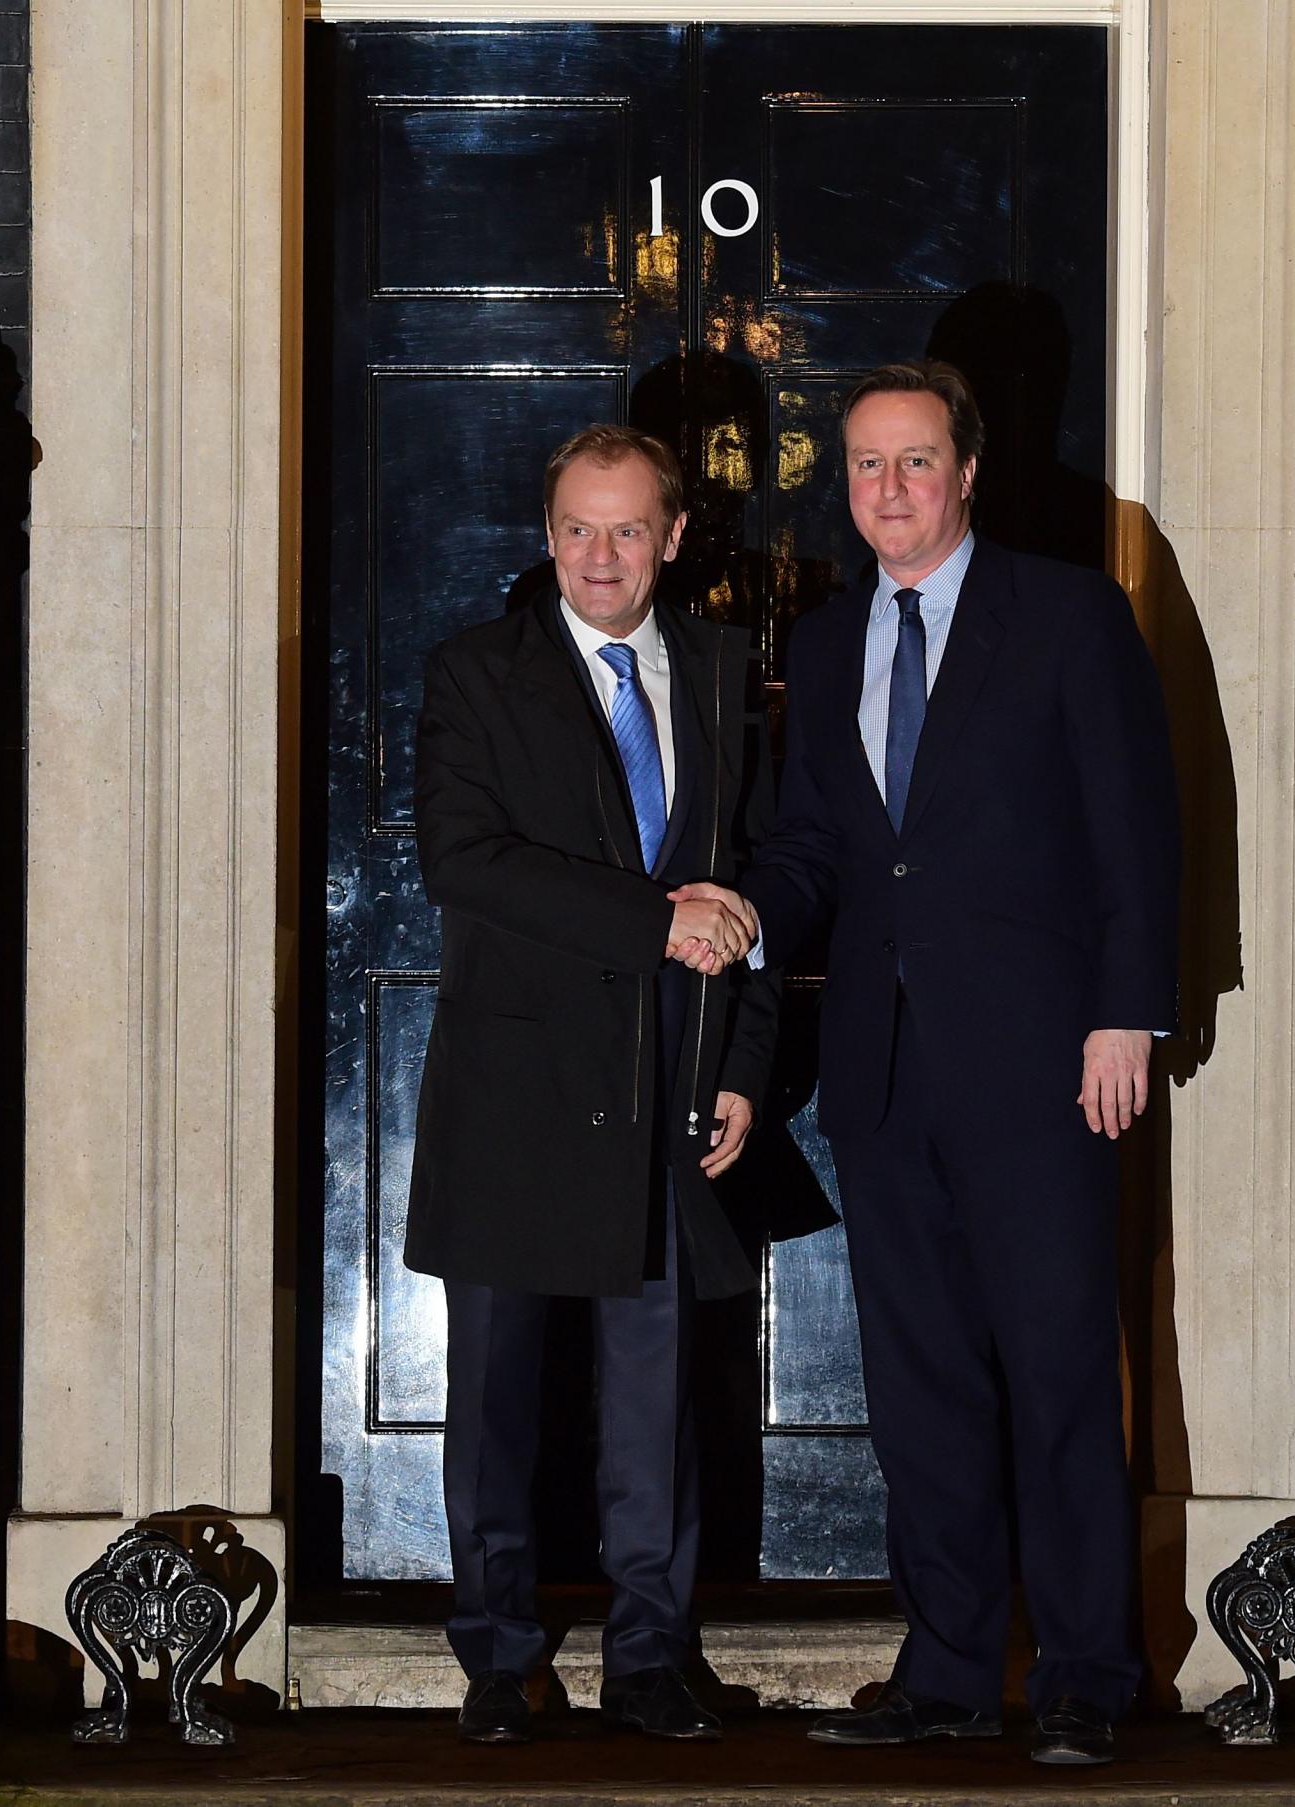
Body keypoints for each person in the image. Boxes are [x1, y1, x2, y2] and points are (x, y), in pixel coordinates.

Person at [681, 360, 1181, 1765]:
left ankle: (1087, 1670)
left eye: (912, 462)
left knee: (1063, 1372)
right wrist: (747, 908)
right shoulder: (834, 641)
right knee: (921, 1390)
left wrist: (1127, 1016)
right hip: (885, 1076)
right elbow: (825, 850)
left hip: (1046, 1065)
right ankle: (952, 1669)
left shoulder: (1070, 616)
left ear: (967, 473)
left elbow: (1135, 826)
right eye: (862, 465)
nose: (887, 489)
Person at [409, 423, 778, 1745]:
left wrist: (742, 1065)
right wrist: (649, 924)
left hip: (671, 1094)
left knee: (655, 1404)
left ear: (674, 537)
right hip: (516, 1094)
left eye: (627, 530)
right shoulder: (477, 672)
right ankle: (500, 1659)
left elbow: (751, 883)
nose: (600, 556)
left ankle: (650, 1658)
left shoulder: (728, 674)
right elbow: (464, 859)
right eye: (577, 528)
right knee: (498, 1401)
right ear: (546, 533)